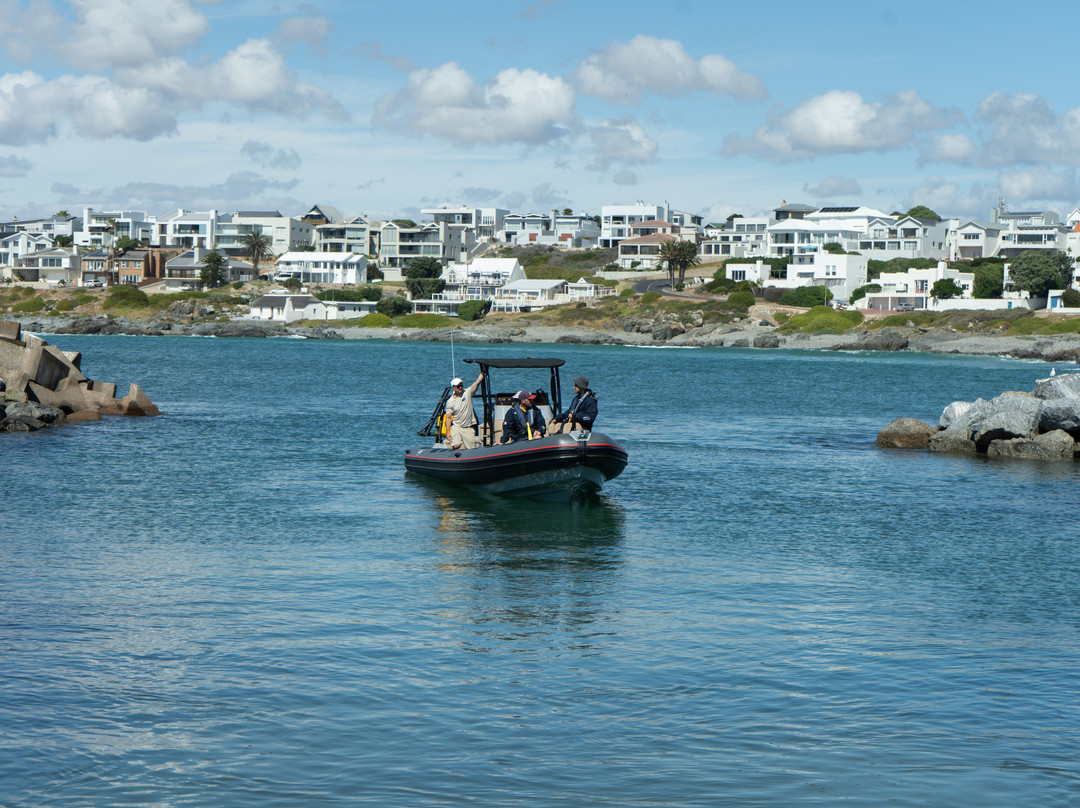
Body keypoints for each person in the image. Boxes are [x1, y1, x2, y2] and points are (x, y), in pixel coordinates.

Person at [444, 371, 483, 450]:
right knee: (456, 445)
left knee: (471, 448)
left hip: (468, 427)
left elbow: (477, 382)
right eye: (458, 386)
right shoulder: (450, 402)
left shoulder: (467, 393)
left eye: (461, 385)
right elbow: (448, 418)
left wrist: (483, 372)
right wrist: (448, 432)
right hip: (457, 426)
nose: (460, 388)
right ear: (453, 387)